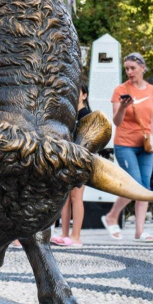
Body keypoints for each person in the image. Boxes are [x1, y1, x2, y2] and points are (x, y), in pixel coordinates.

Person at [103, 53, 153, 243]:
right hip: (125, 144)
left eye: (132, 68)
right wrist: (122, 107)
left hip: (146, 144)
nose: (129, 72)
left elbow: (152, 120)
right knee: (135, 185)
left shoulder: (152, 90)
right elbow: (116, 122)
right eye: (126, 68)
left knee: (144, 187)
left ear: (142, 68)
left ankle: (139, 231)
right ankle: (112, 216)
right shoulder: (120, 90)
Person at [54, 84, 91, 247]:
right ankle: (64, 233)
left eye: (78, 92)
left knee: (77, 197)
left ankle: (76, 236)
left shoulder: (86, 115)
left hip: (80, 160)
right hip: (66, 158)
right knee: (65, 198)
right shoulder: (68, 114)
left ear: (84, 95)